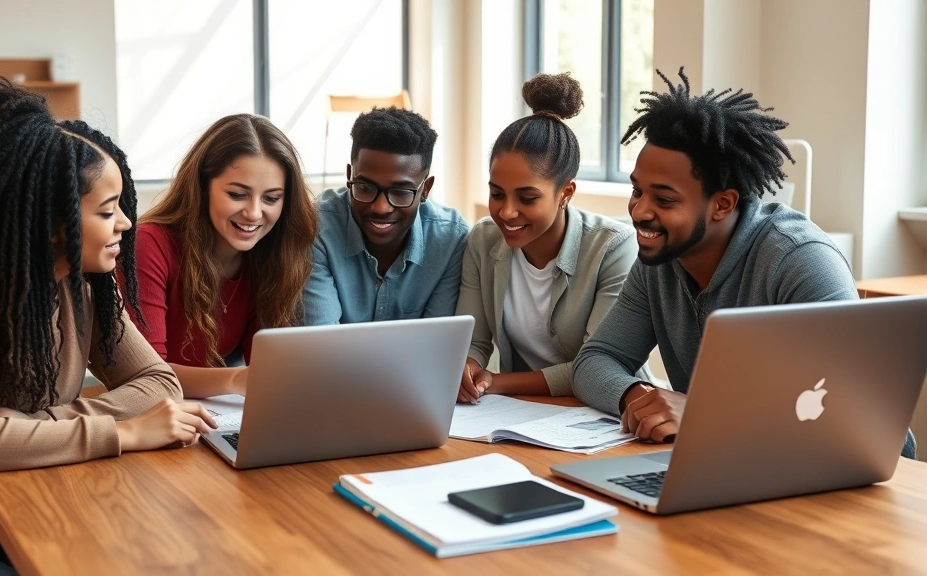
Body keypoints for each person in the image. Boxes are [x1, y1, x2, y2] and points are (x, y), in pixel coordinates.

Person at [0, 70, 216, 574]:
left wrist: (35, 425)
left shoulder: (82, 276)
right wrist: (124, 433)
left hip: (31, 501)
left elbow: (159, 382)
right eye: (109, 210)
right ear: (55, 222)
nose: (126, 224)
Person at [572, 67, 916, 459]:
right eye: (637, 191)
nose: (639, 211)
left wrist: (706, 416)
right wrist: (636, 394)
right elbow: (595, 361)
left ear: (723, 204)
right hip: (735, 464)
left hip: (846, 482)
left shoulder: (800, 262)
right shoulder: (660, 261)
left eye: (664, 200)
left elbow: (869, 422)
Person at [455, 73, 648, 403]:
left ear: (566, 192)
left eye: (527, 198)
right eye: (497, 194)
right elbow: (473, 339)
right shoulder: (483, 240)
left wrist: (497, 382)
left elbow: (596, 366)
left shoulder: (613, 247)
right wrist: (467, 367)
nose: (507, 212)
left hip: (607, 411)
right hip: (524, 414)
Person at [128, 115, 318, 398]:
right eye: (237, 194)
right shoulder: (149, 244)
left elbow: (267, 367)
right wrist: (235, 380)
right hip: (153, 416)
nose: (254, 213)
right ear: (202, 187)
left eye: (271, 198)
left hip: (215, 415)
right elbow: (148, 377)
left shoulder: (271, 257)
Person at [302, 107, 468, 324]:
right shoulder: (316, 228)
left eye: (401, 192)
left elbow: (435, 344)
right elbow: (322, 343)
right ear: (349, 176)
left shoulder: (449, 239)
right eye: (365, 187)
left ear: (425, 189)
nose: (380, 208)